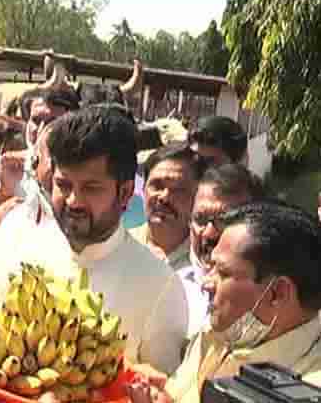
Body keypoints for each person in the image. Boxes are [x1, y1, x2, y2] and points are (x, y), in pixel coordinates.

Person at [0, 106, 189, 403]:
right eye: (63, 185)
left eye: (91, 188)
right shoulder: (18, 230)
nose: (73, 201)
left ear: (125, 192)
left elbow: (160, 391)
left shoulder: (158, 287)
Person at [127, 201, 321, 403]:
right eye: (211, 267)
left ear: (277, 293)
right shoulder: (216, 334)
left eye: (223, 273)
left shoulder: (311, 389)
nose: (206, 283)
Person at [0, 85, 80, 245]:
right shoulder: (4, 165)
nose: (42, 129)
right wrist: (1, 201)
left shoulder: (86, 172)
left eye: (53, 121)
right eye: (35, 120)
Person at [180, 163, 268, 338]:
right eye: (200, 219)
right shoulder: (172, 286)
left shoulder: (267, 300)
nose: (209, 233)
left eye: (225, 221)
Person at [129, 142, 206, 270]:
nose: (164, 197)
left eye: (179, 189)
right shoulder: (118, 247)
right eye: (157, 186)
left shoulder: (208, 260)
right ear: (143, 189)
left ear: (199, 196)